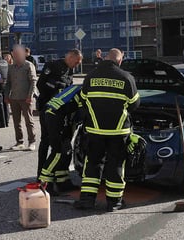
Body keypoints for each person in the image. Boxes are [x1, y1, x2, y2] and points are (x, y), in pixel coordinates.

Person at [74, 48, 140, 212]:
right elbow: (134, 104)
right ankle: (114, 202)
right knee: (116, 165)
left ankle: (87, 200)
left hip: (95, 130)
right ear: (119, 60)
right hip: (118, 132)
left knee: (92, 164)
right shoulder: (126, 78)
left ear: (104, 58)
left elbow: (82, 100)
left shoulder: (90, 77)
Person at [36, 49, 83, 178]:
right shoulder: (52, 65)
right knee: (46, 141)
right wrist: (57, 88)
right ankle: (41, 173)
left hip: (62, 112)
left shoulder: (70, 70)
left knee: (61, 143)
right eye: (77, 61)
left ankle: (58, 175)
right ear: (71, 57)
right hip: (48, 108)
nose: (77, 65)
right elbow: (41, 85)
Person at [38, 84, 82, 195]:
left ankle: (63, 182)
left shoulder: (79, 87)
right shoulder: (86, 91)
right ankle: (45, 183)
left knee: (66, 150)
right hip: (55, 116)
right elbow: (82, 114)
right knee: (57, 151)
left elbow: (73, 116)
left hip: (57, 115)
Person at [5, 44, 37, 151]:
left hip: (26, 98)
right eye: (15, 53)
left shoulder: (28, 65)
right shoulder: (11, 67)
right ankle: (19, 142)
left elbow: (33, 81)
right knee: (16, 121)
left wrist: (30, 96)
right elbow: (8, 83)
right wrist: (7, 95)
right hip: (14, 98)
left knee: (29, 121)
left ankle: (32, 142)